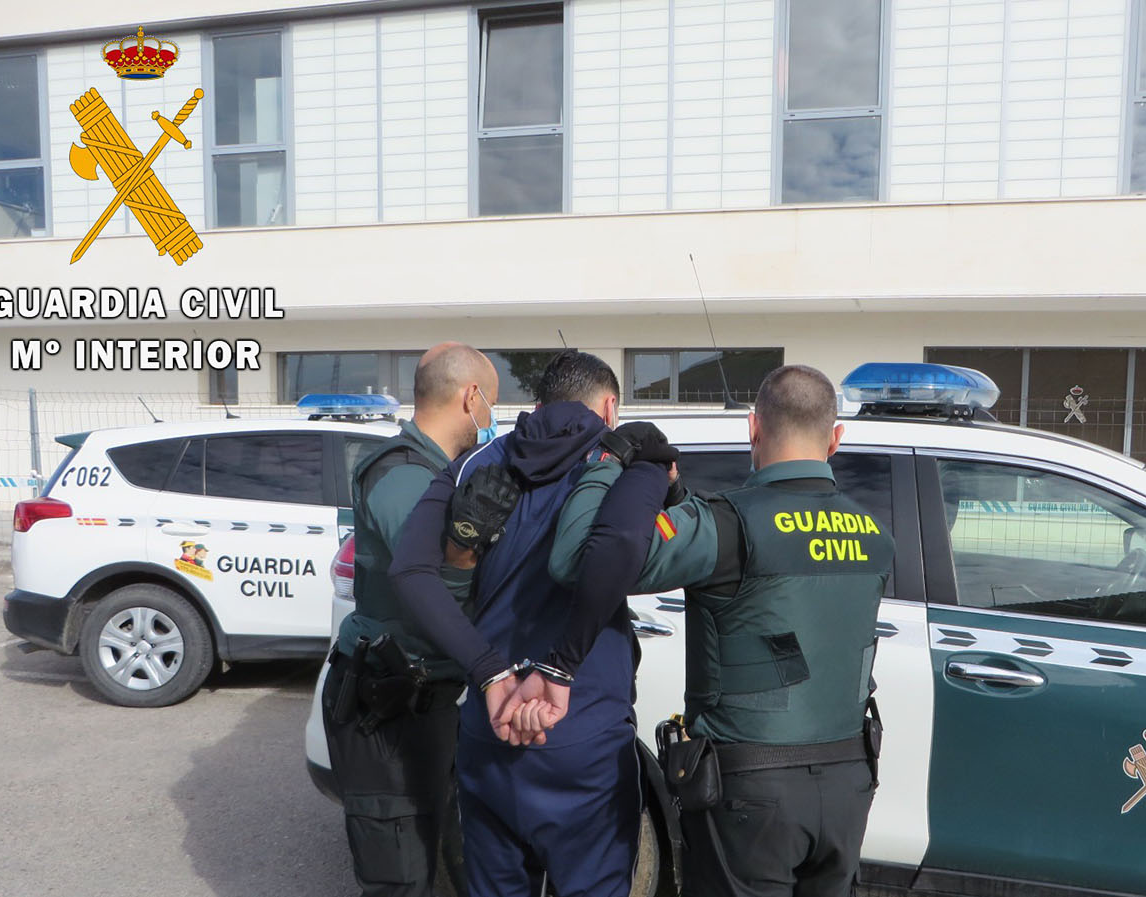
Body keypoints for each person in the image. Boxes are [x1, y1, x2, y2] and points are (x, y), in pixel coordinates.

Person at [549, 364, 896, 897]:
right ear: (836, 438)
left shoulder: (727, 523)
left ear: (753, 428)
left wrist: (604, 464)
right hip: (850, 783)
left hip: (751, 794)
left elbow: (583, 563)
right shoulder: (873, 533)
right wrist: (679, 496)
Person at [387, 349, 674, 897]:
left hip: (491, 729)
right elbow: (639, 546)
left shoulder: (476, 463)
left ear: (538, 404)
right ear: (610, 407)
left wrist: (489, 671)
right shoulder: (620, 464)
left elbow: (410, 570)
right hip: (583, 733)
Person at [321, 342, 499, 897]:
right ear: (471, 398)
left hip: (425, 700)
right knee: (399, 878)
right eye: (492, 403)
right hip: (388, 710)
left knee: (431, 860)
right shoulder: (402, 477)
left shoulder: (439, 472)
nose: (492, 418)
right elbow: (427, 584)